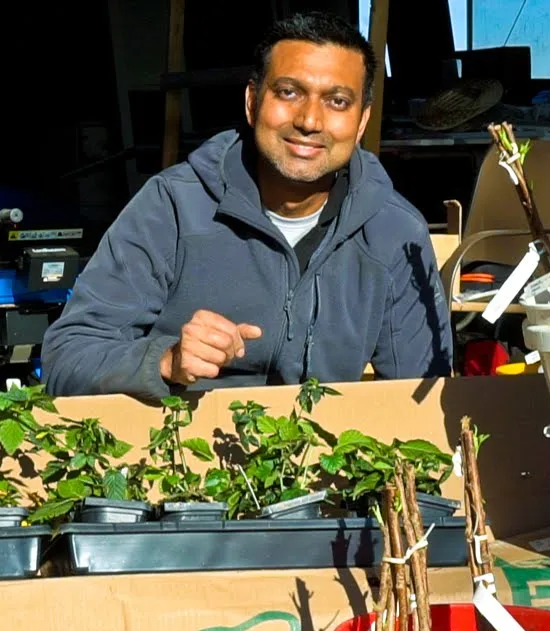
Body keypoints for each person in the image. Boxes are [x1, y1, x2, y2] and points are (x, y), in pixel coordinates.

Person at [41, 11, 453, 401]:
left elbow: (422, 397)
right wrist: (164, 361)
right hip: (183, 458)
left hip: (322, 464)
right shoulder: (171, 206)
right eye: (289, 92)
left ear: (362, 122)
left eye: (337, 102)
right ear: (252, 101)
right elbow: (66, 359)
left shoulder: (394, 232)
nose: (310, 120)